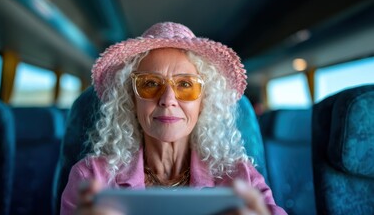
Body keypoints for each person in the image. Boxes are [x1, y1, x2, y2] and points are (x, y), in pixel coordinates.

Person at [61, 22, 286, 215]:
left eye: (185, 85)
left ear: (204, 101)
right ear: (131, 99)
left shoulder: (241, 177)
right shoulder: (92, 177)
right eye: (150, 84)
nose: (168, 99)